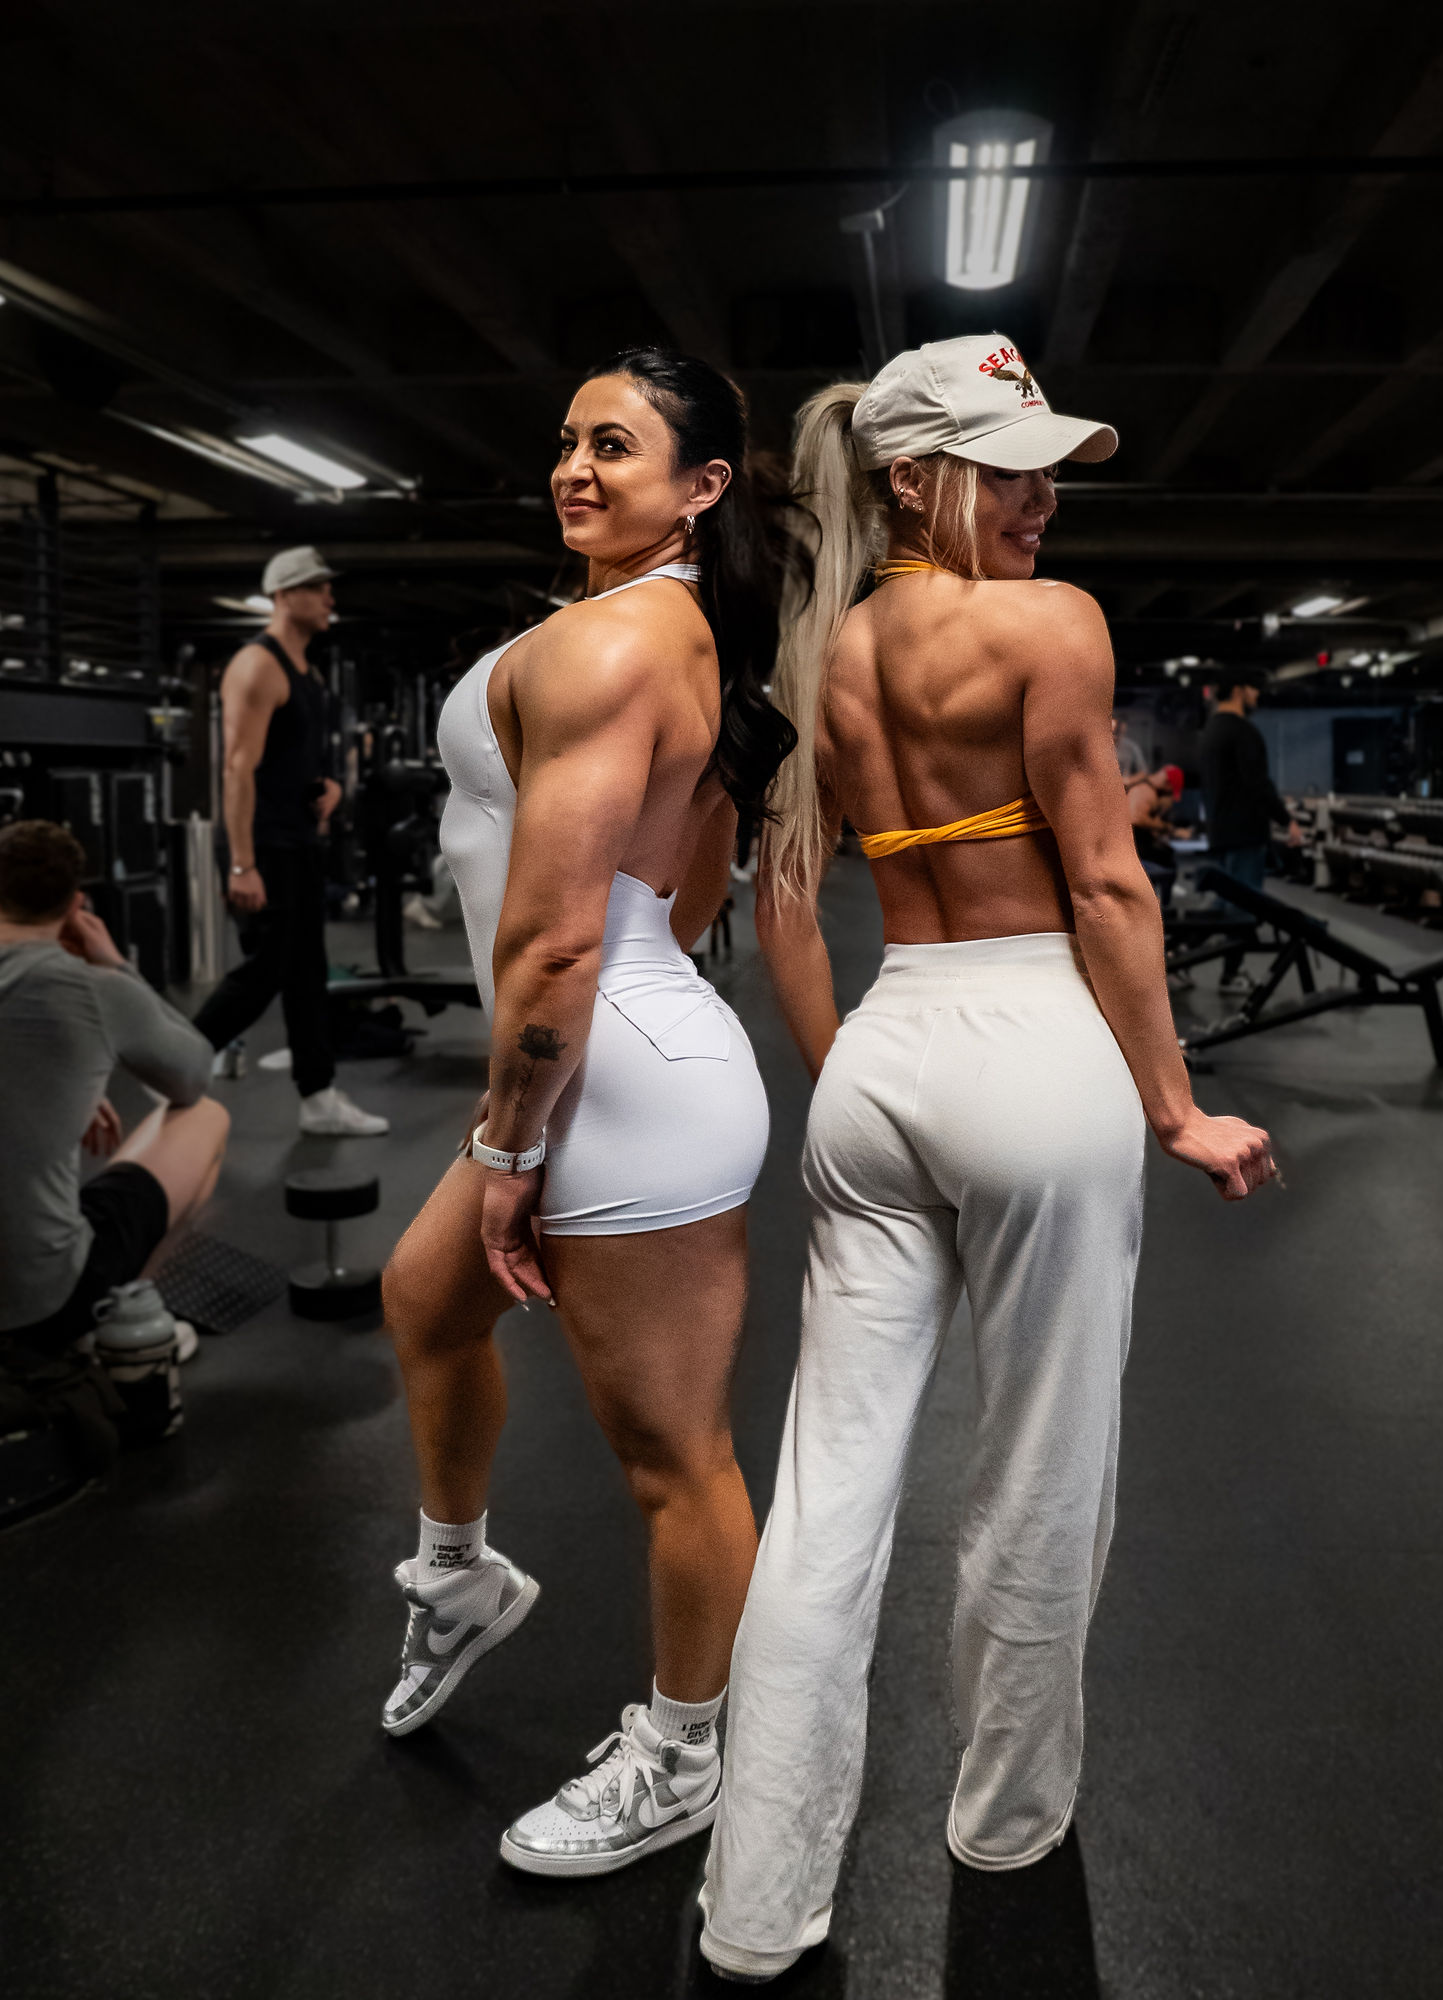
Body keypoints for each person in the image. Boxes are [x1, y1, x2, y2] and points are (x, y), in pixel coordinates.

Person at [696, 334, 1275, 1982]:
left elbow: (791, 901)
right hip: (1037, 1054)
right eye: (1002, 465)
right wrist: (1178, 1107)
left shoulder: (822, 651)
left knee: (824, 1503)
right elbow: (1104, 889)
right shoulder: (1052, 627)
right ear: (907, 478)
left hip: (886, 1051)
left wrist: (856, 1073)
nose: (1037, 501)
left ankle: (757, 1910)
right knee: (1039, 1476)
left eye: (1044, 470)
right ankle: (1005, 1823)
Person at [380, 347, 800, 1878]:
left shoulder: (624, 645)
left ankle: (685, 1756)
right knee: (424, 1303)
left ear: (699, 486)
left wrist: (510, 1144)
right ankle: (459, 1575)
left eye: (613, 445)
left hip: (616, 1082)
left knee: (673, 1456)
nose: (573, 466)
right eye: (564, 440)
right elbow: (678, 903)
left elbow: (560, 939)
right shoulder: (655, 632)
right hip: (604, 1049)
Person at [0, 821, 229, 1356]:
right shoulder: (93, 990)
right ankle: (118, 1315)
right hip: (42, 1303)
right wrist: (116, 965)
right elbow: (193, 1074)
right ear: (76, 906)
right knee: (206, 1116)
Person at [193, 545, 387, 1136]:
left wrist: (325, 787)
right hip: (262, 847)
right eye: (316, 587)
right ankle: (176, 1062)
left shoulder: (309, 673)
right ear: (283, 596)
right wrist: (241, 865)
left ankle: (318, 1097)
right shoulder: (257, 666)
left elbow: (289, 760)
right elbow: (236, 769)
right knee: (268, 969)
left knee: (306, 973)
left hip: (296, 839)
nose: (330, 597)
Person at [1198, 670, 1301, 993]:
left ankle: (1171, 953)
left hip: (1220, 830)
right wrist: (1287, 820)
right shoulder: (1243, 732)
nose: (1258, 696)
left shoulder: (1210, 731)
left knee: (1223, 903)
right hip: (1245, 833)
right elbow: (1258, 784)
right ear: (1240, 690)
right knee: (1243, 907)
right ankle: (1231, 975)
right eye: (1255, 689)